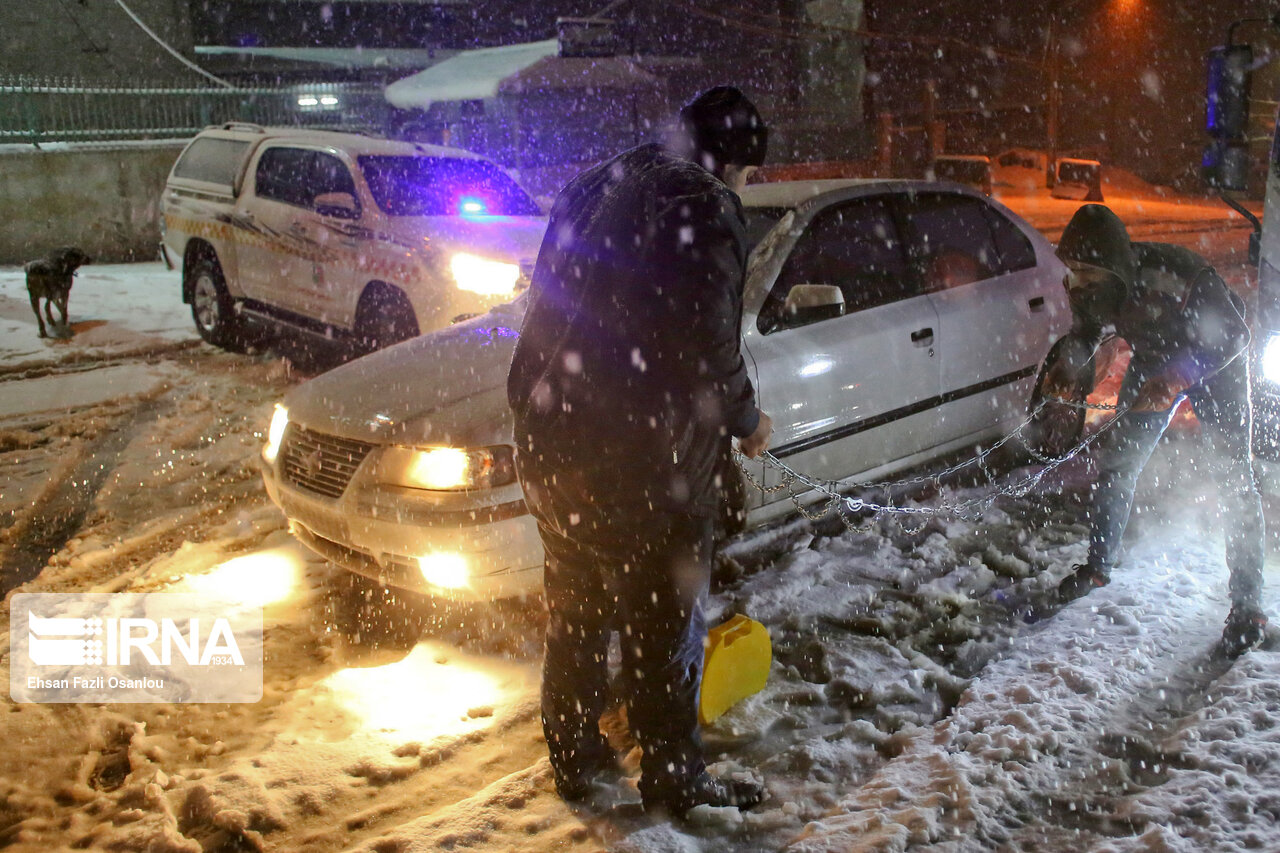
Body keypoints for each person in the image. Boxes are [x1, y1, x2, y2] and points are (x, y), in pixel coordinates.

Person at [506, 86, 774, 813]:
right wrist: (747, 420)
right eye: (749, 172)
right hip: (639, 458)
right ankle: (675, 778)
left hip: (549, 435)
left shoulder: (600, 181)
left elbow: (554, 302)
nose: (745, 187)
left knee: (578, 613)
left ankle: (574, 753)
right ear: (730, 159)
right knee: (663, 627)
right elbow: (708, 342)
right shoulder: (703, 202)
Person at [1044, 203, 1267, 658]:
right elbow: (1087, 334)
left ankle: (1247, 608)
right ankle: (1099, 566)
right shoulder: (1095, 288)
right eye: (1073, 272)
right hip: (1154, 358)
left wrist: (1176, 378)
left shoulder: (1176, 275)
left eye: (1087, 272)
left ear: (1113, 268)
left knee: (1234, 481)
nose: (1077, 283)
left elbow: (1234, 334)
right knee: (1120, 463)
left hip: (1215, 363)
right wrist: (1072, 369)